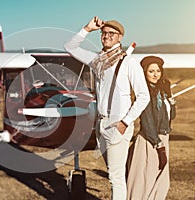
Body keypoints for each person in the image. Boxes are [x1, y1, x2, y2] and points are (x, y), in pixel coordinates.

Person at [64, 16, 150, 200]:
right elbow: (70, 47)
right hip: (101, 124)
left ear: (120, 37)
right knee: (113, 171)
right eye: (104, 33)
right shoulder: (97, 60)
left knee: (115, 177)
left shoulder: (129, 63)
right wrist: (87, 28)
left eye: (112, 33)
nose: (106, 36)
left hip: (118, 124)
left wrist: (125, 122)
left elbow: (144, 96)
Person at [126, 56, 176, 200]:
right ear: (144, 73)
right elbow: (147, 122)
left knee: (160, 179)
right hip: (150, 140)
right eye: (151, 71)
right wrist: (158, 145)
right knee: (144, 179)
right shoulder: (144, 93)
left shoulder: (162, 91)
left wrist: (171, 101)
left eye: (158, 71)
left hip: (163, 137)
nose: (155, 75)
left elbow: (171, 117)